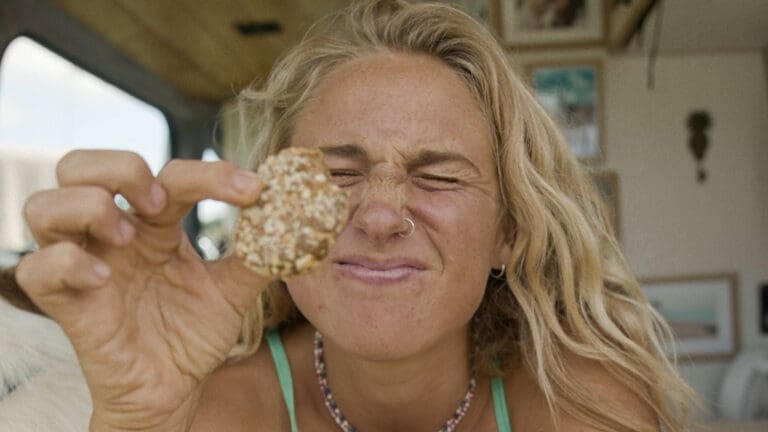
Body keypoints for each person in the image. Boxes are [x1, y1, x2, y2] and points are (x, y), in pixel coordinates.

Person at [16, 0, 694, 431]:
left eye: (438, 175)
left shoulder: (586, 409)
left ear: (508, 234)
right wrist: (135, 422)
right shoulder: (213, 409)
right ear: (273, 210)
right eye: (336, 173)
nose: (379, 215)